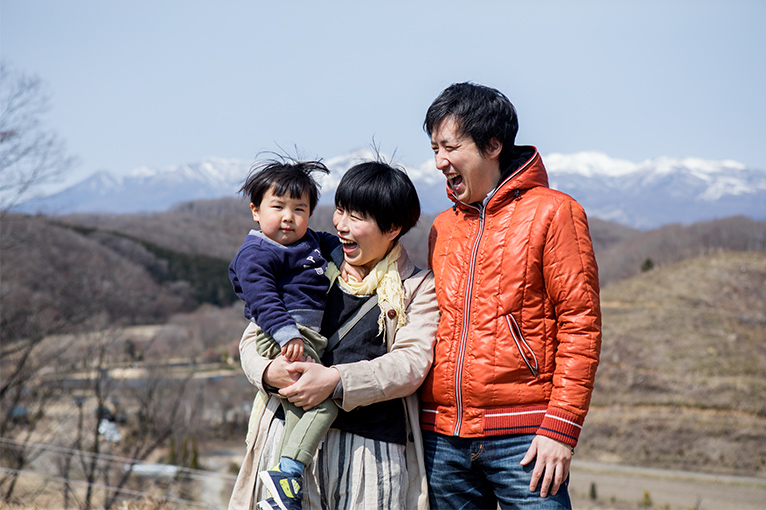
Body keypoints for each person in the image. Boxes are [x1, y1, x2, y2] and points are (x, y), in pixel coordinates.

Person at [420, 82, 602, 509]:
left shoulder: (555, 212)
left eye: (449, 147)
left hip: (526, 439)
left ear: (493, 145)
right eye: (433, 149)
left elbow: (581, 325)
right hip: (442, 442)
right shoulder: (442, 227)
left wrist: (562, 427)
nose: (439, 162)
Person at [228, 160, 439, 510]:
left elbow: (410, 364)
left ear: (392, 228)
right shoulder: (312, 261)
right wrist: (267, 373)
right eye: (340, 211)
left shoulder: (416, 287)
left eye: (357, 218)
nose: (340, 225)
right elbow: (253, 339)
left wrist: (335, 380)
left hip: (369, 452)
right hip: (286, 438)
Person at [228, 159, 342, 510]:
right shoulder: (258, 251)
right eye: (277, 207)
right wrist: (286, 334)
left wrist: (342, 259)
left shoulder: (309, 241)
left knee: (300, 411)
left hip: (302, 336)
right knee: (322, 405)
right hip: (284, 337)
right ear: (256, 211)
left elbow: (331, 242)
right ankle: (287, 473)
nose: (288, 217)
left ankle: (281, 495)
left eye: (299, 209)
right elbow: (262, 297)